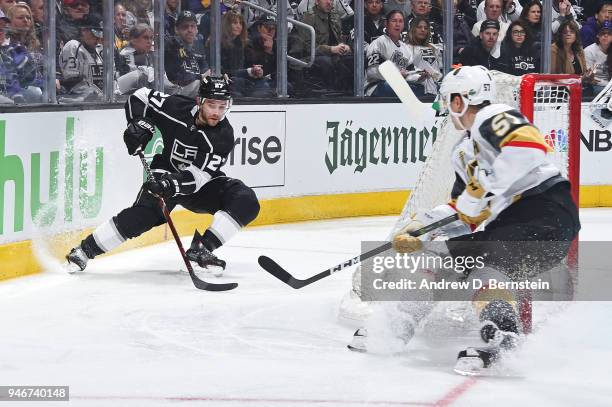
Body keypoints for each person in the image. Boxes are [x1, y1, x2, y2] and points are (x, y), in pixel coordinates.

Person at [349, 65, 581, 374]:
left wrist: (483, 187)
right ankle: (398, 323)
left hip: (544, 213)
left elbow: (527, 148)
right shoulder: (463, 153)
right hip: (515, 226)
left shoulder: (495, 115)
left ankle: (504, 338)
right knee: (443, 257)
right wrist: (422, 227)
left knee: (484, 267)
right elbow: (467, 214)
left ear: (461, 101)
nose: (446, 108)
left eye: (448, 100)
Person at [66, 76, 260, 276]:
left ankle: (202, 248)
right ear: (199, 101)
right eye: (211, 105)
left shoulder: (223, 136)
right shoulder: (176, 107)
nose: (216, 113)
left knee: (246, 201)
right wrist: (138, 123)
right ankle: (83, 251)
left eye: (222, 106)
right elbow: (140, 96)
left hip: (201, 186)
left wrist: (170, 185)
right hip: (165, 170)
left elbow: (198, 177)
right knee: (144, 215)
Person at [364, 10, 422, 97]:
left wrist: (420, 76)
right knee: (401, 89)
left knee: (422, 88)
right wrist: (396, 75)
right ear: (386, 24)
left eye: (400, 21)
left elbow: (408, 74)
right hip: (376, 86)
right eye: (394, 21)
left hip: (398, 85)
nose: (397, 24)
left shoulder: (406, 48)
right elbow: (372, 71)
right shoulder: (379, 43)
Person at [58, 14, 104, 101]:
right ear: (83, 31)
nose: (98, 38)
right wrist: (97, 93)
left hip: (101, 96)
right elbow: (71, 81)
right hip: (79, 97)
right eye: (95, 34)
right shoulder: (73, 46)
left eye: (100, 34)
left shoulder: (101, 49)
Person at [164, 10, 210, 98]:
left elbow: (205, 69)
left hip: (197, 91)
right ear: (176, 30)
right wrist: (201, 77)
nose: (190, 30)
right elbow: (176, 77)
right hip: (177, 93)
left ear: (197, 29)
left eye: (192, 26)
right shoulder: (170, 45)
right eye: (185, 27)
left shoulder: (198, 46)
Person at [406, 16, 443, 95]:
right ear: (413, 29)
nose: (423, 30)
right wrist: (419, 77)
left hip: (437, 90)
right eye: (419, 27)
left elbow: (440, 69)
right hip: (417, 90)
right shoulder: (406, 48)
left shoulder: (434, 48)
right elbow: (405, 74)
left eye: (426, 28)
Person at [551, 20, 592, 85]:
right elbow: (555, 75)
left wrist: (589, 75)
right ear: (560, 35)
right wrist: (579, 80)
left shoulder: (579, 49)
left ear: (576, 35)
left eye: (572, 32)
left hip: (579, 86)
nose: (568, 34)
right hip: (561, 88)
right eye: (565, 32)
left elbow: (584, 71)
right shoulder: (554, 49)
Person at [585, 20, 612, 94]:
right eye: (603, 33)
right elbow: (590, 78)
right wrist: (608, 86)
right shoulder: (589, 51)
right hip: (595, 85)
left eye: (609, 34)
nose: (605, 36)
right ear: (598, 35)